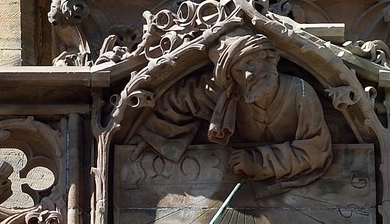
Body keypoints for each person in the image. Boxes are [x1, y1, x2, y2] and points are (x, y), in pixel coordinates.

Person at [142, 30, 334, 186]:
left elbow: (317, 151)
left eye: (251, 62)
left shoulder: (300, 92)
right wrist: (156, 139)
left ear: (269, 58)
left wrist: (258, 163)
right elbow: (179, 98)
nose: (248, 75)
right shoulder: (230, 98)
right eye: (239, 71)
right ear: (233, 80)